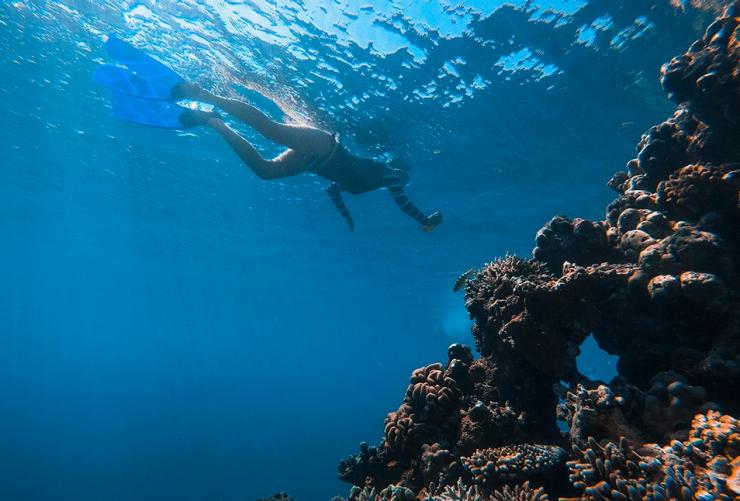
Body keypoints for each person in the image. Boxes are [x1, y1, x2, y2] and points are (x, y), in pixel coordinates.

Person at [173, 83, 443, 231]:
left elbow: (334, 191)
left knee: (265, 171)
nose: (403, 181)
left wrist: (347, 217)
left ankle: (214, 122)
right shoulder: (389, 174)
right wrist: (424, 220)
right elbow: (402, 200)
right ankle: (202, 93)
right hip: (324, 146)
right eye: (404, 175)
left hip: (314, 162)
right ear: (401, 170)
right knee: (272, 132)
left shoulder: (372, 180)